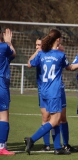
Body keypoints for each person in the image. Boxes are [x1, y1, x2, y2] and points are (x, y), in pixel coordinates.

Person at [25, 29, 71, 155]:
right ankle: (32, 139)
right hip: (54, 91)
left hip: (43, 90)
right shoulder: (59, 54)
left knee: (52, 119)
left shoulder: (43, 54)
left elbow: (30, 63)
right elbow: (69, 67)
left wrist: (39, 51)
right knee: (55, 120)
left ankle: (57, 147)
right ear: (58, 40)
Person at [0, 28, 16, 156]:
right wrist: (9, 42)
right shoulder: (4, 47)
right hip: (1, 86)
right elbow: (13, 54)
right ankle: (1, 147)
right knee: (4, 116)